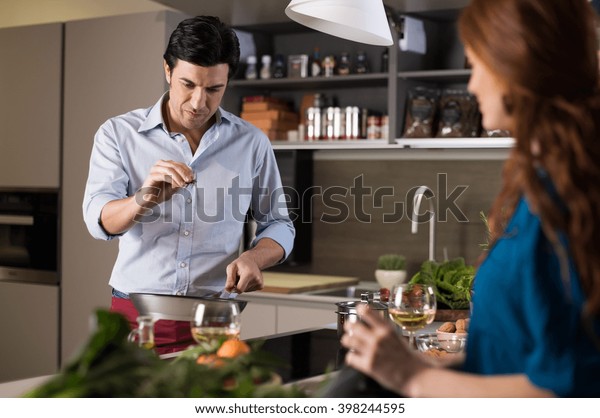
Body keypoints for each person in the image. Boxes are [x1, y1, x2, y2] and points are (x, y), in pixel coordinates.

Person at [341, 0, 600, 397]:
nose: (472, 83)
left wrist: (414, 378)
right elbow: (510, 360)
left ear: (514, 66)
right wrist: (415, 366)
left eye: (477, 65)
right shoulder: (542, 184)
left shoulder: (567, 200)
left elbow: (565, 392)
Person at [82, 16, 294, 353]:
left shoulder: (251, 142)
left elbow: (279, 224)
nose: (199, 103)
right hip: (137, 318)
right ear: (167, 71)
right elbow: (99, 220)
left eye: (214, 89)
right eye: (188, 85)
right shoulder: (118, 134)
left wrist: (255, 257)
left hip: (216, 322)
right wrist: (143, 199)